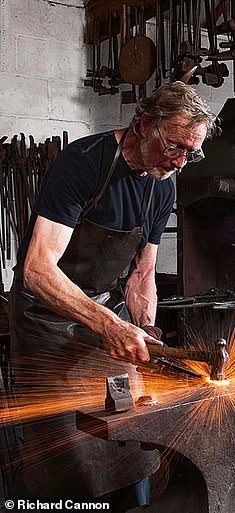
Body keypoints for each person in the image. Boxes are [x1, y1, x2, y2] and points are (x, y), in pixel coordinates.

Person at [8, 81, 218, 506]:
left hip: (108, 319)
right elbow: (36, 270)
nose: (178, 161)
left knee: (131, 437)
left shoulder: (163, 186)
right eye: (173, 146)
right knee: (64, 458)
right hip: (48, 323)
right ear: (143, 124)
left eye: (189, 153)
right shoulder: (83, 164)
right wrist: (109, 324)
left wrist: (144, 328)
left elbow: (142, 275)